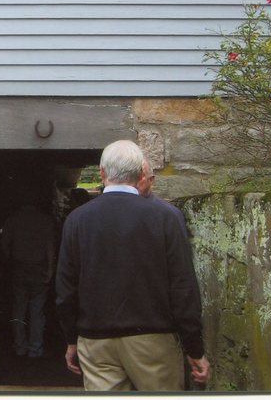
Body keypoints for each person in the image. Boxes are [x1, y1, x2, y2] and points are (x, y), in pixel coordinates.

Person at [55, 140, 210, 391]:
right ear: (141, 173)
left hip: (96, 342)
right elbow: (183, 287)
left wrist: (71, 339)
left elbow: (65, 289)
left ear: (102, 173)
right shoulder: (166, 217)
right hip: (153, 340)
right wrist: (194, 348)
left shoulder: (77, 220)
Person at [0, 189, 55, 358]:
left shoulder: (13, 220)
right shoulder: (46, 221)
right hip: (39, 269)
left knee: (19, 308)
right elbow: (50, 248)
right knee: (37, 310)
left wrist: (10, 262)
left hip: (19, 268)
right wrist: (51, 270)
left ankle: (19, 347)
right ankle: (35, 349)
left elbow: (4, 246)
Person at [137, 160, 189, 240]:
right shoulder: (117, 209)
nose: (133, 182)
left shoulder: (168, 214)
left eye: (139, 177)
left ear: (151, 180)